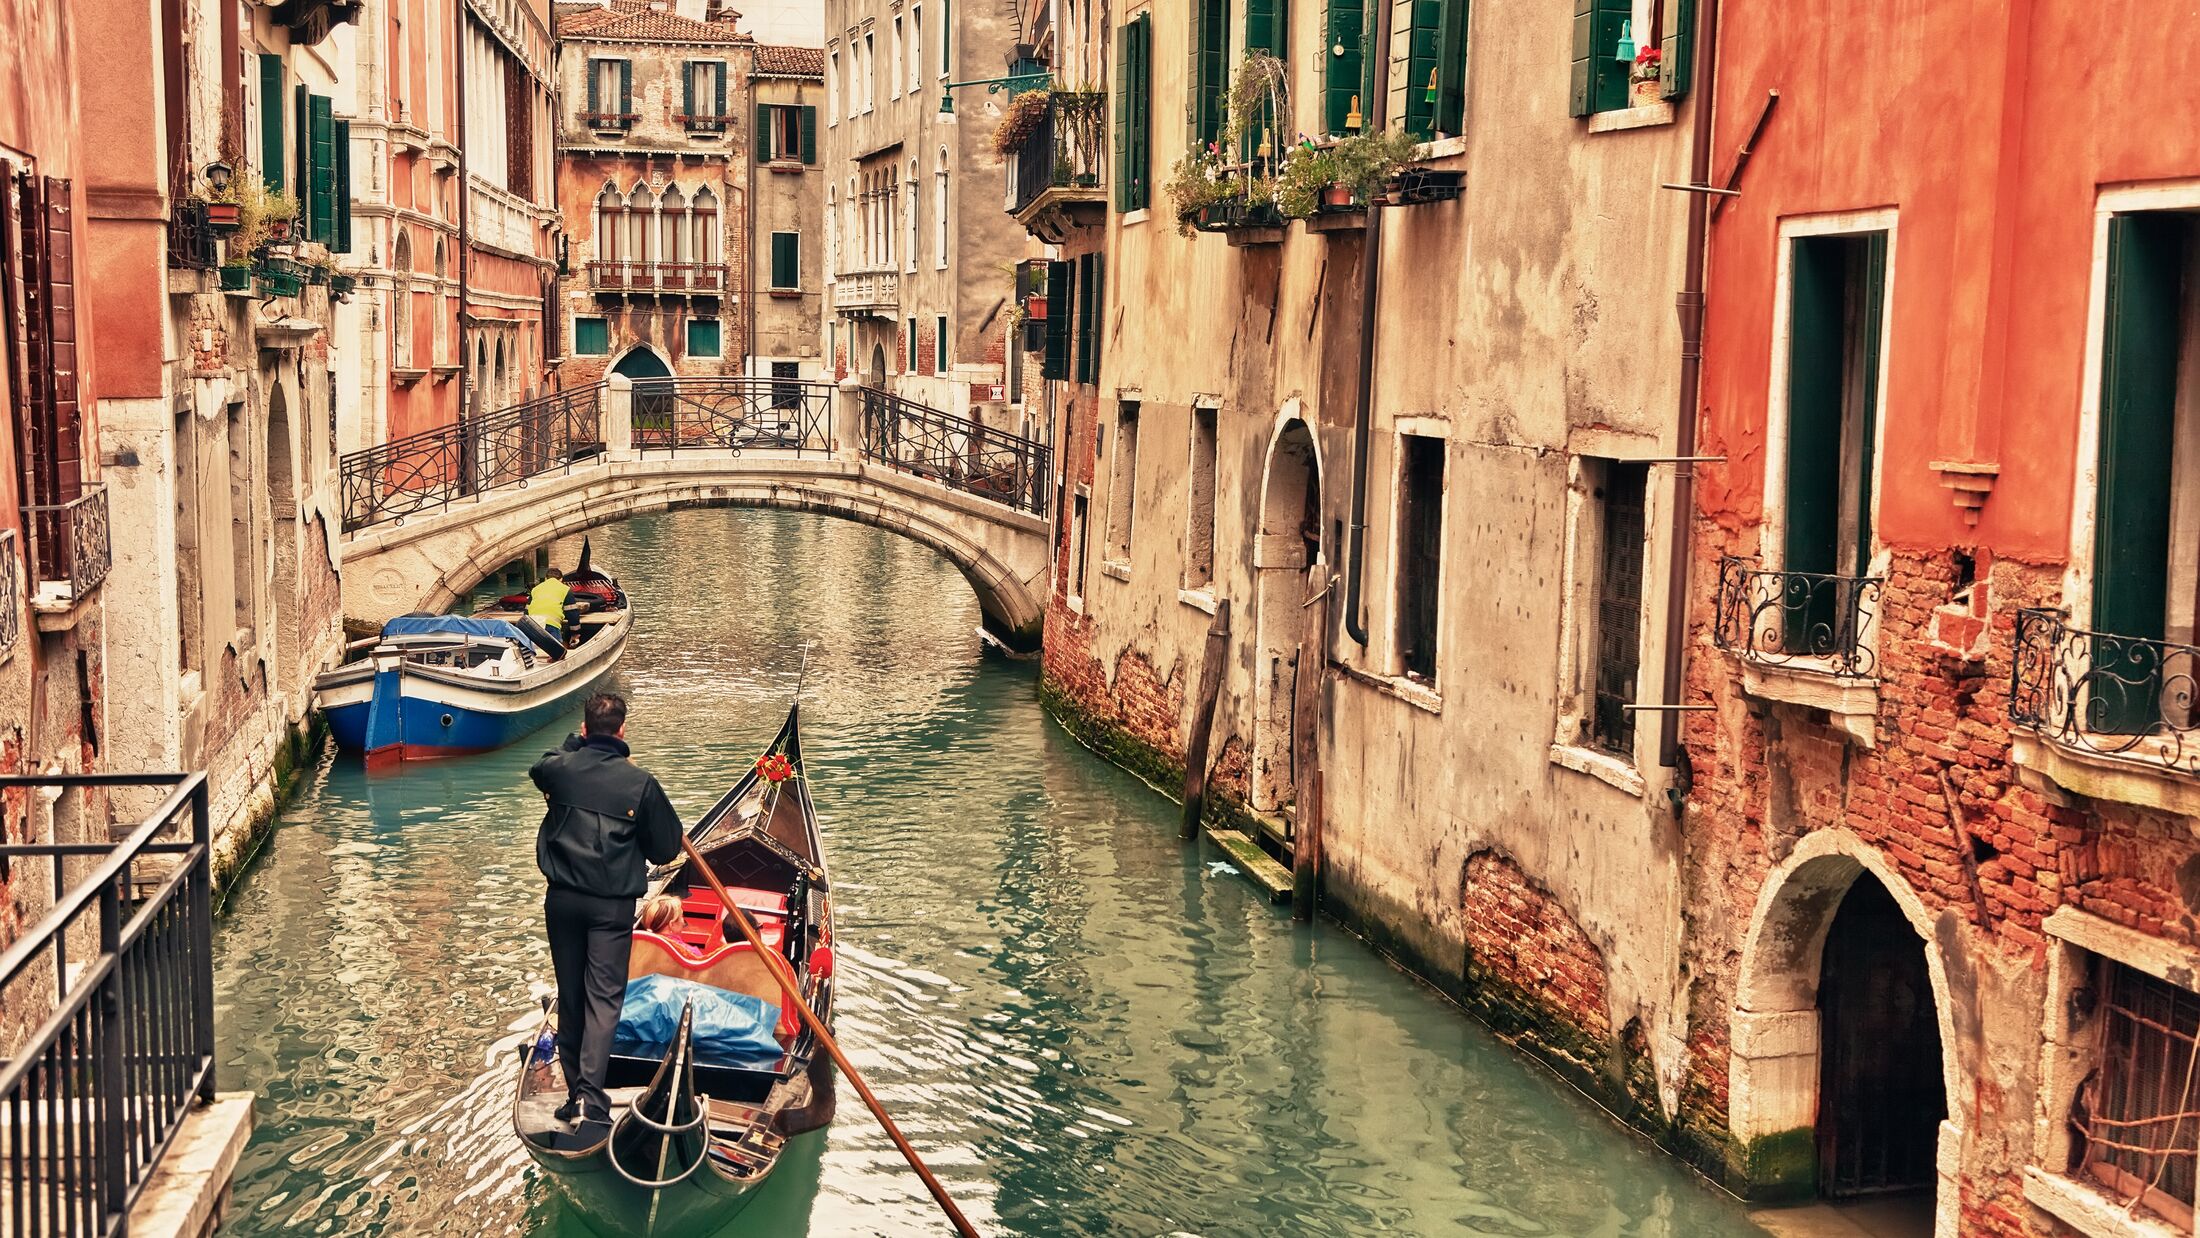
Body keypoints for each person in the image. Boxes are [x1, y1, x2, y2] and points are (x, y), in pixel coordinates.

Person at [532, 692, 682, 1126]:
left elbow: (541, 763)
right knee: (603, 1001)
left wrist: (576, 745)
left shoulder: (560, 770)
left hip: (561, 902)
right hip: (610, 908)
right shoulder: (640, 783)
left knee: (572, 997)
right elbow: (666, 849)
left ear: (584, 730)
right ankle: (592, 1104)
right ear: (622, 731)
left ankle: (574, 1094)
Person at [528, 568, 570, 638]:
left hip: (533, 623)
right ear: (561, 579)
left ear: (545, 578)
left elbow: (526, 610)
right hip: (552, 625)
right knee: (555, 647)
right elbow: (572, 613)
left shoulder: (535, 589)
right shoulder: (565, 589)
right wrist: (575, 633)